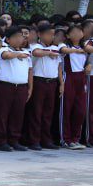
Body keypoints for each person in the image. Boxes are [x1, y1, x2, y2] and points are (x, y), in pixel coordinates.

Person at [0, 26, 32, 152]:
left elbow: (30, 71)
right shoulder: (3, 49)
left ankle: (14, 140)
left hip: (21, 87)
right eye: (16, 37)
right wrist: (17, 54)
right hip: (6, 86)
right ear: (8, 39)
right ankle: (1, 141)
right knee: (2, 114)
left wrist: (30, 88)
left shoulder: (26, 52)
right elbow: (6, 56)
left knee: (17, 114)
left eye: (21, 36)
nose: (20, 39)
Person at [25, 23, 61, 151]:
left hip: (52, 82)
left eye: (52, 35)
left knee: (48, 113)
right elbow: (36, 53)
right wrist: (48, 52)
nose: (51, 37)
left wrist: (61, 83)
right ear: (39, 35)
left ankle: (46, 139)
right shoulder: (36, 46)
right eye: (48, 34)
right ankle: (34, 140)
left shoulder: (54, 48)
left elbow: (59, 66)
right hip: (39, 82)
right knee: (36, 112)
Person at [59, 23, 89, 149]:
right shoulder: (64, 45)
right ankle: (65, 139)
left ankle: (76, 138)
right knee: (66, 109)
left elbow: (88, 62)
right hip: (68, 78)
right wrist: (78, 50)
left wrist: (89, 65)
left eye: (79, 31)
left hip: (81, 79)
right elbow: (64, 51)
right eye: (74, 32)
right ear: (68, 35)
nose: (77, 34)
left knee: (80, 110)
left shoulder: (85, 47)